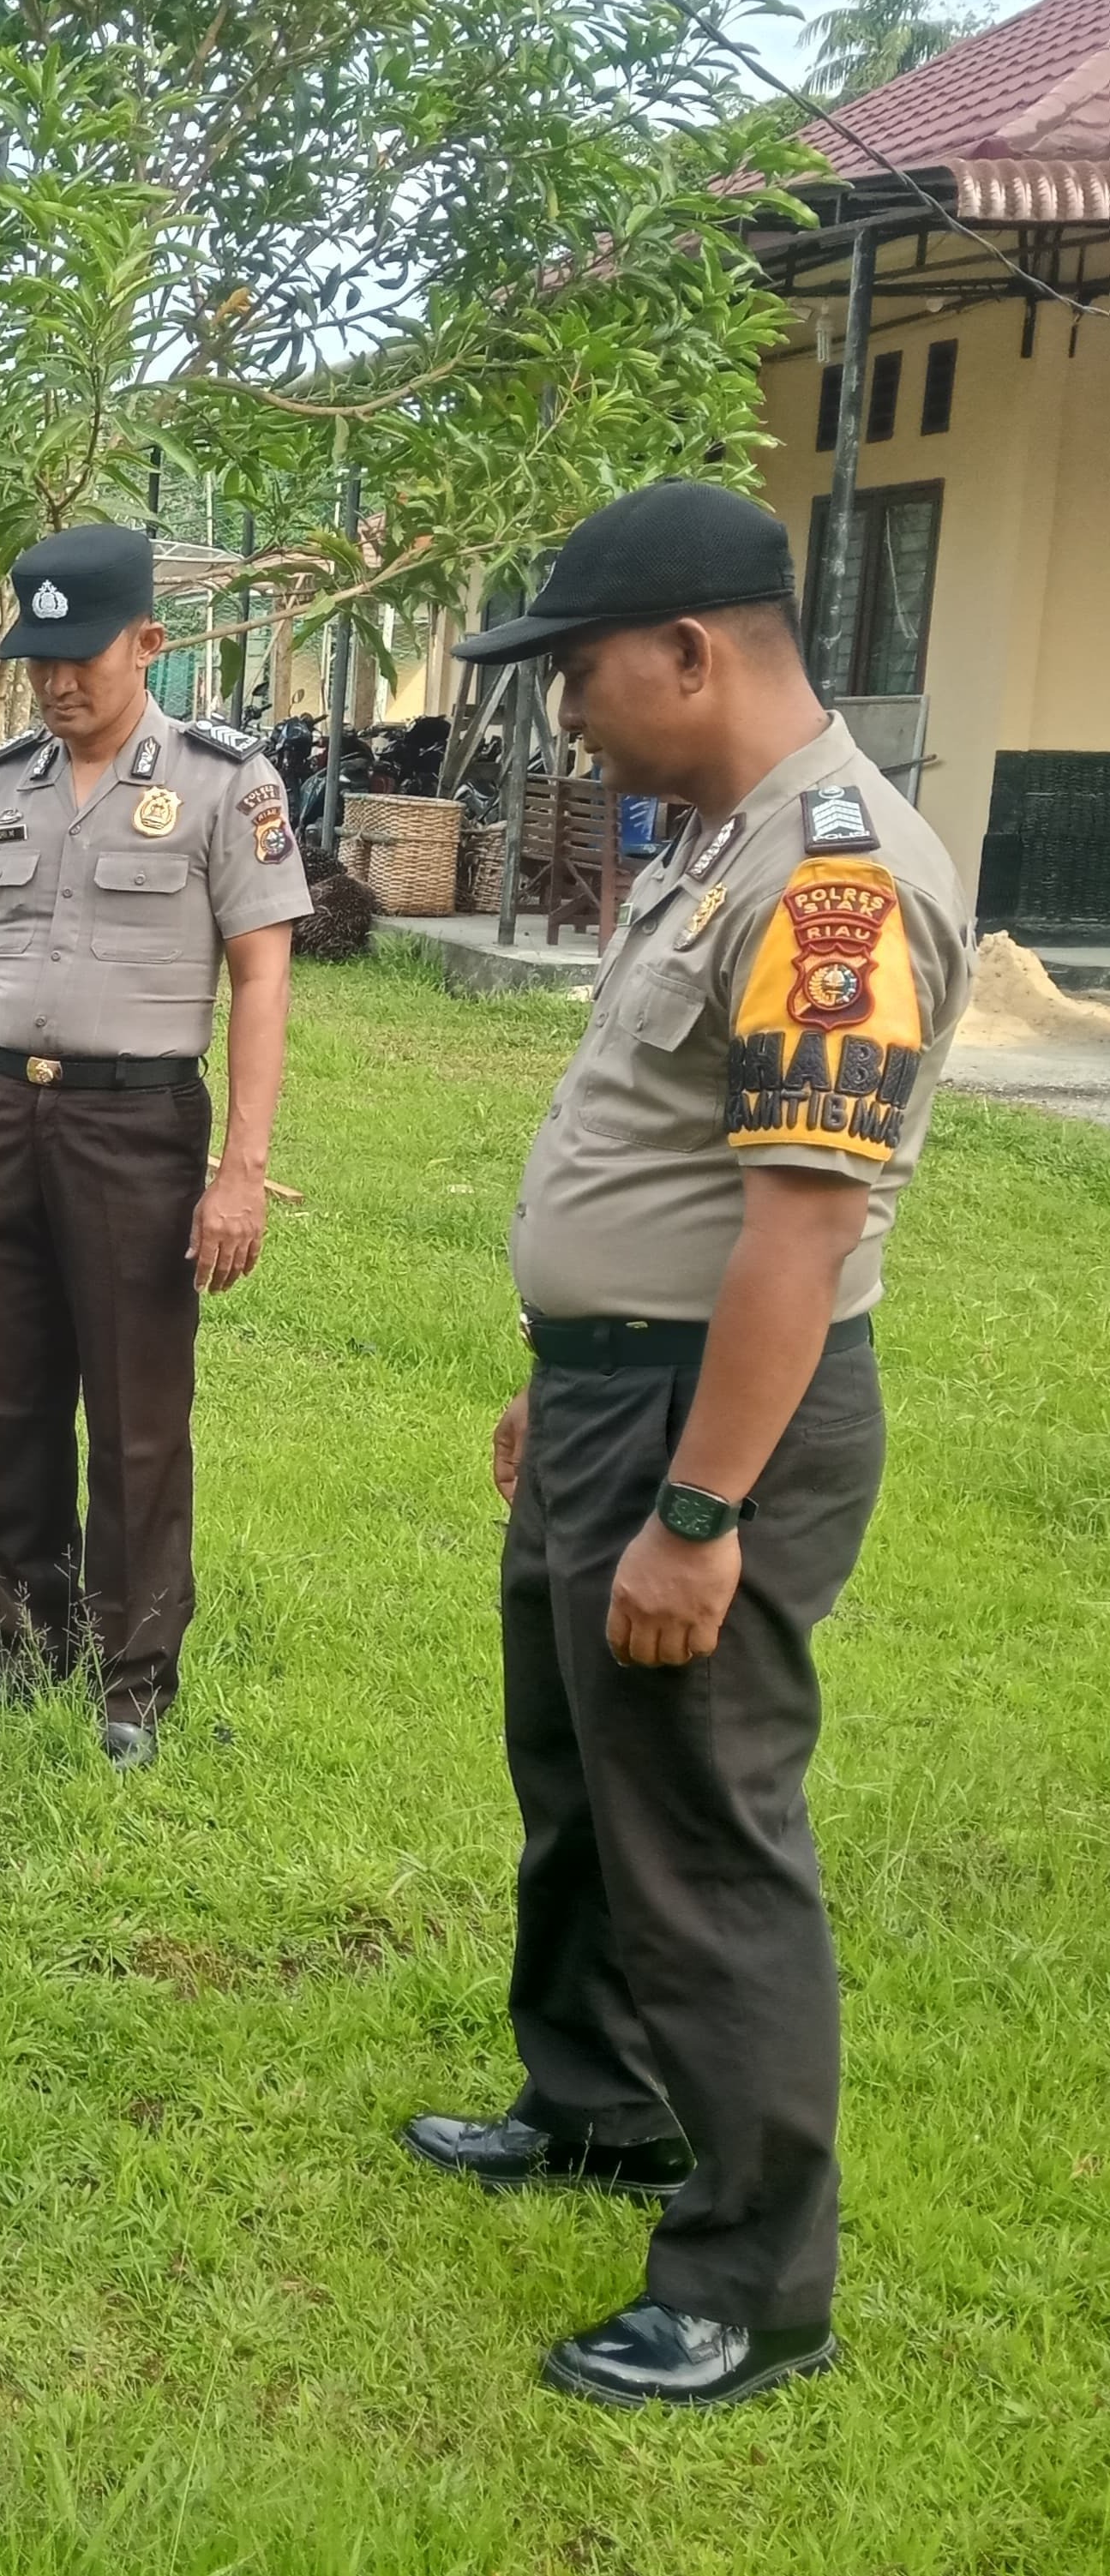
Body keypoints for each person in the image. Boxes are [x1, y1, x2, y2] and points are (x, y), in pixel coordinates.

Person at [402, 479, 971, 2410]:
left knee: (707, 1824)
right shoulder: (711, 841)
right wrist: (564, 1369)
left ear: (691, 651)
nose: (565, 712)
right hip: (616, 1389)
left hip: (715, 1421)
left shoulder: (831, 883)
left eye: (575, 674)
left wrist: (699, 1502)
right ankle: (596, 2102)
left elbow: (801, 1231)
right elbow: (655, 1161)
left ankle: (754, 2279)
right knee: (577, 1767)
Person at [0, 523, 309, 1765]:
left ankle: (133, 1670)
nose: (59, 683)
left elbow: (262, 979)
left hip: (138, 1124)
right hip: (6, 1114)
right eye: (38, 659)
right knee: (8, 1397)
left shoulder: (227, 784)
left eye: (84, 658)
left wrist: (242, 1170)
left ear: (150, 645)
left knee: (136, 1405)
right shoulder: (3, 784)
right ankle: (20, 1629)